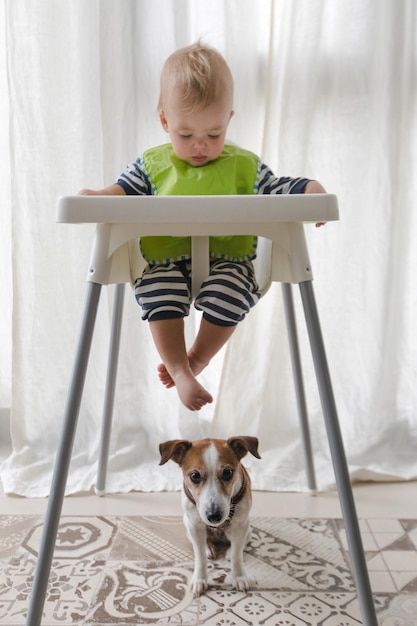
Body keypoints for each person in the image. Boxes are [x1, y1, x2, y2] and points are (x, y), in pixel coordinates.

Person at [79, 42, 326, 411]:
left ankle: (197, 357)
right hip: (164, 263)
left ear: (228, 119)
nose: (200, 146)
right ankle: (179, 370)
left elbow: (278, 187)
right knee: (160, 292)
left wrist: (310, 190)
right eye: (185, 134)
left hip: (231, 261)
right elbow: (121, 192)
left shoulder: (245, 166)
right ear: (165, 122)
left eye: (213, 134)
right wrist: (98, 195)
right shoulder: (151, 165)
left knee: (230, 295)